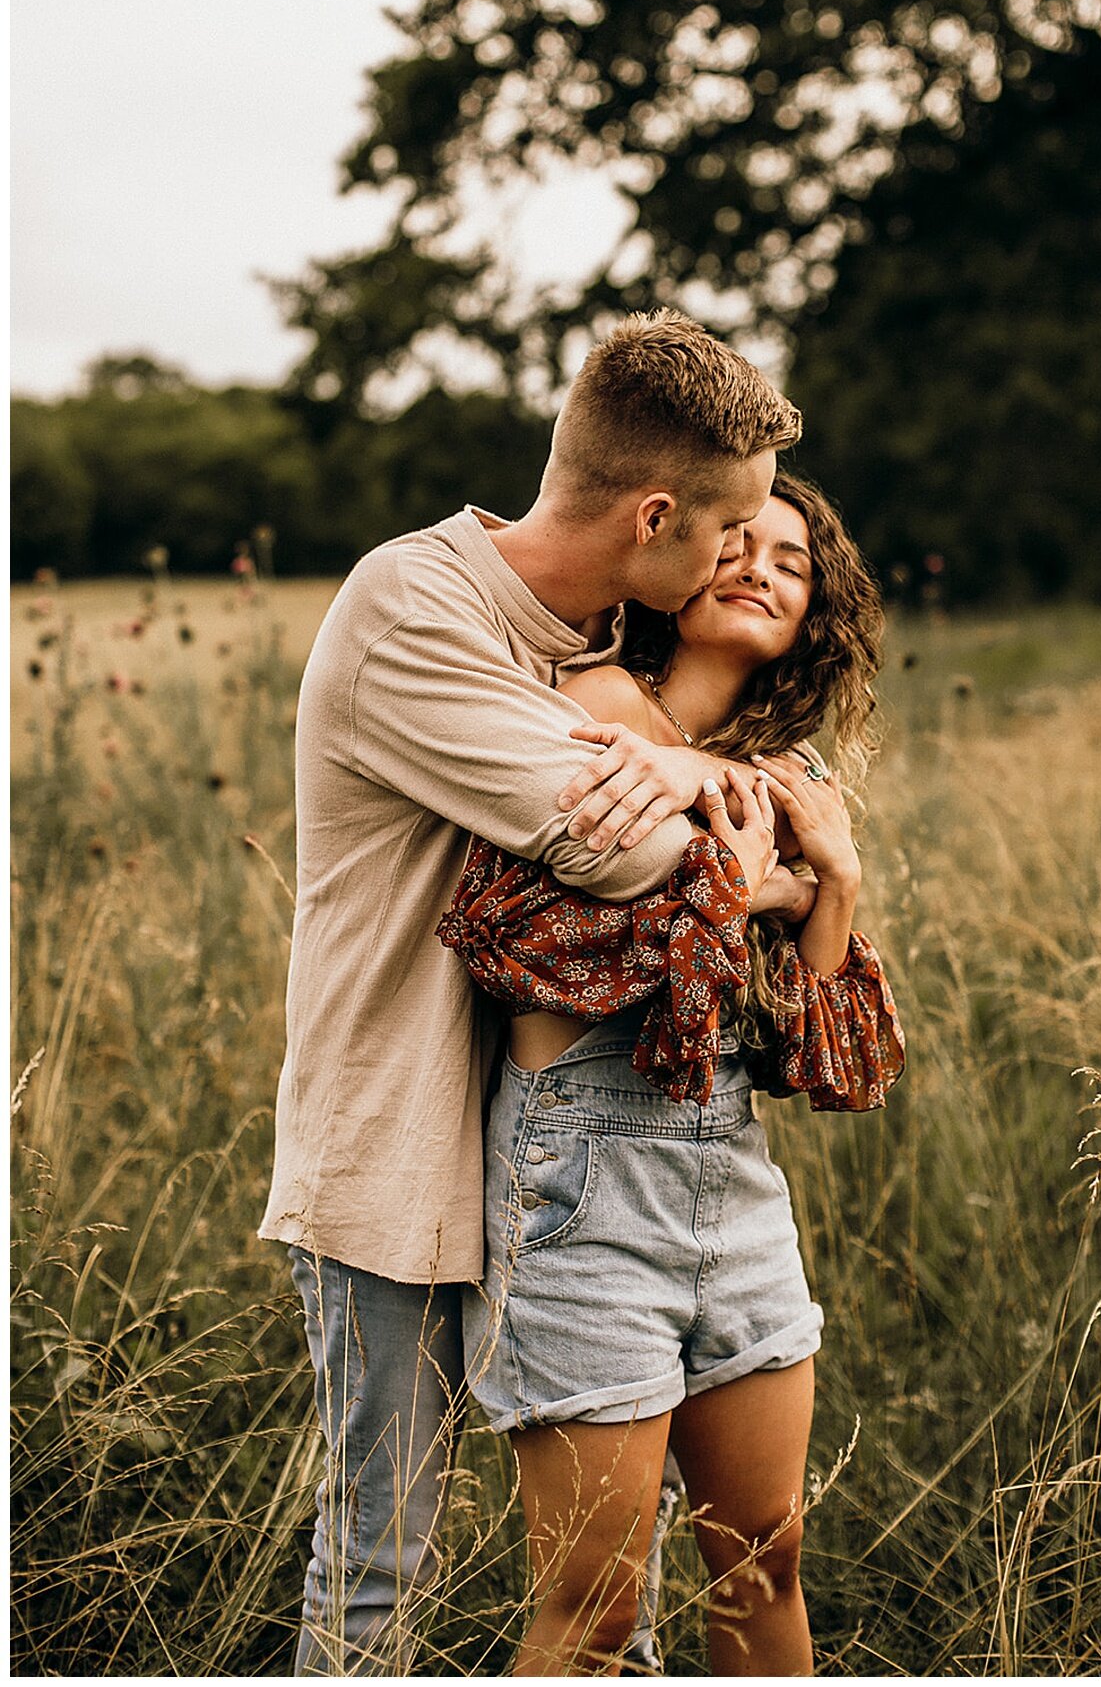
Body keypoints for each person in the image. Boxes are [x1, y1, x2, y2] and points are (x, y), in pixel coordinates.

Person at [261, 310, 823, 1673]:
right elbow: (625, 847)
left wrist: (729, 805)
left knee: (598, 1588)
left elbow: (730, 847)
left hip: (553, 1145)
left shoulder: (584, 637)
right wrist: (706, 792)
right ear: (652, 517)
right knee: (386, 1553)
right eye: (725, 531)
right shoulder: (415, 606)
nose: (733, 561)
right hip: (396, 1152)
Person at [437, 473, 903, 1673]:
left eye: (794, 564)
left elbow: (823, 1054)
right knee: (594, 1614)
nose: (760, 567)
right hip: (580, 1178)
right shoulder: (585, 707)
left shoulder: (790, 777)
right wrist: (749, 892)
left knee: (765, 1558)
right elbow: (537, 953)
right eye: (738, 543)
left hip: (733, 1174)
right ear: (681, 563)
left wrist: (835, 883)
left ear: (815, 617)